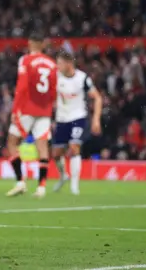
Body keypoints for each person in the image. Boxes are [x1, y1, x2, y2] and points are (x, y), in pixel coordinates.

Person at [5, 32, 57, 199]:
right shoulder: (51, 63)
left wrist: (15, 110)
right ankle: (41, 187)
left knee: (12, 142)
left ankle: (21, 182)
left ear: (29, 43)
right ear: (43, 44)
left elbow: (22, 86)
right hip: (44, 110)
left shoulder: (26, 60)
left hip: (27, 108)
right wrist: (49, 107)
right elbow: (53, 89)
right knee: (42, 147)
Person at [53, 50, 102, 195]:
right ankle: (63, 176)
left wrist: (96, 120)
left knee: (74, 148)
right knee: (56, 154)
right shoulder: (55, 77)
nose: (58, 66)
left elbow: (97, 97)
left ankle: (75, 186)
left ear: (69, 64)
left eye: (60, 63)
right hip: (61, 119)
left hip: (78, 117)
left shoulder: (82, 78)